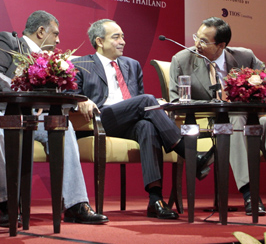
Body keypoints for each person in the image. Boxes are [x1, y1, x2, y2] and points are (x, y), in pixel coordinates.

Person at [72, 19, 212, 220]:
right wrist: (82, 100)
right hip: (100, 119)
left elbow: (139, 103)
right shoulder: (81, 64)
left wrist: (156, 107)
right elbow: (72, 95)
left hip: (129, 120)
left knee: (147, 126)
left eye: (123, 36)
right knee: (148, 100)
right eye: (116, 37)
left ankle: (155, 200)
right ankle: (190, 154)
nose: (123, 41)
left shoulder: (132, 65)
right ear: (99, 41)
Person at [0, 10, 109, 226]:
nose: (58, 40)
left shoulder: (53, 61)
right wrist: (24, 86)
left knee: (63, 126)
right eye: (55, 34)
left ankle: (76, 205)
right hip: (0, 111)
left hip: (33, 117)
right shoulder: (8, 41)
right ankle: (8, 204)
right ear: (41, 31)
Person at [169, 16, 266, 215]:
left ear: (221, 45)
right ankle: (250, 194)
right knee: (236, 119)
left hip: (249, 118)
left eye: (204, 41)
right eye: (197, 37)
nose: (197, 44)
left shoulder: (245, 57)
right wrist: (217, 103)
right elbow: (176, 100)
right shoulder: (182, 60)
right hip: (211, 121)